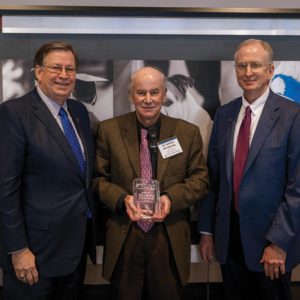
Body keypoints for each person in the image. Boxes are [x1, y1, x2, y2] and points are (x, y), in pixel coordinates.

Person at [198, 38, 300, 300]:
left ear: (270, 70)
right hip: (229, 242)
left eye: (256, 65)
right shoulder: (225, 114)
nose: (248, 72)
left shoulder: (292, 116)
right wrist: (208, 232)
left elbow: (297, 189)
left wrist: (279, 243)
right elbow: (214, 178)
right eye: (241, 65)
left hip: (270, 243)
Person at [94, 66, 209, 300]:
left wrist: (169, 198)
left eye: (154, 92)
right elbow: (97, 180)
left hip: (169, 236)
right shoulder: (109, 131)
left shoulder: (187, 133)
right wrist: (122, 199)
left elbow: (200, 180)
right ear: (131, 95)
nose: (148, 99)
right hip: (126, 235)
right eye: (141, 93)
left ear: (164, 94)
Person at [0, 41, 96, 299]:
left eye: (70, 69)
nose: (64, 75)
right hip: (34, 255)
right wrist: (18, 249)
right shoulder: (14, 113)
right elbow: (5, 189)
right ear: (38, 72)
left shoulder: (78, 112)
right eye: (56, 68)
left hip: (75, 250)